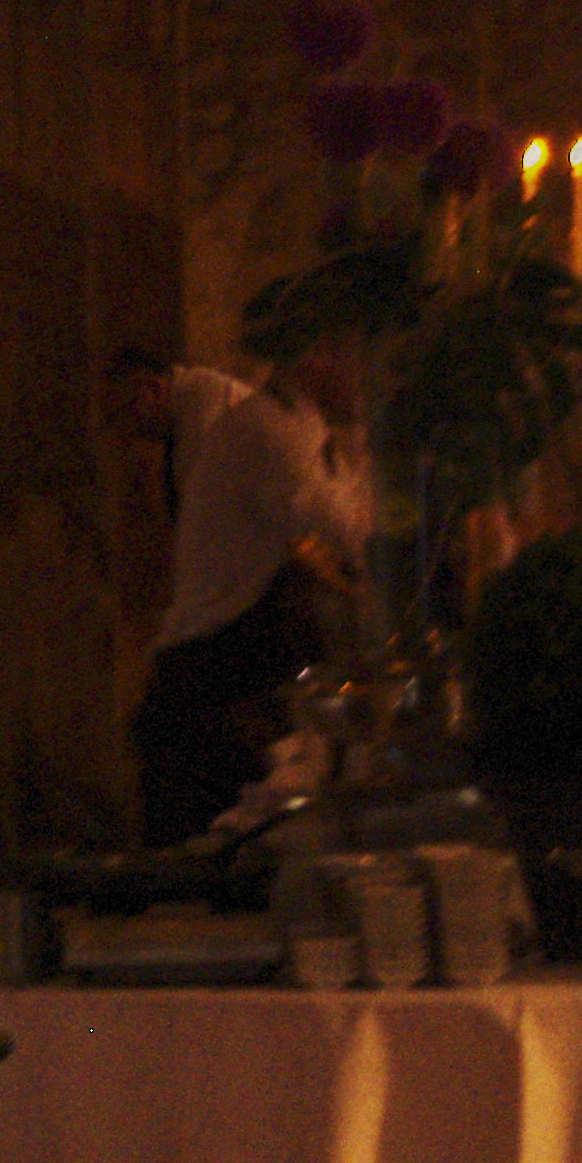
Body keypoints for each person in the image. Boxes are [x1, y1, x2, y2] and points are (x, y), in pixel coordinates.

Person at [127, 340, 375, 852]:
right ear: (315, 355)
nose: (367, 376)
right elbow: (353, 537)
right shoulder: (269, 431)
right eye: (355, 354)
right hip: (207, 704)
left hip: (229, 694)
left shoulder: (298, 430)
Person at [99, 346, 251, 532]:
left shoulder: (200, 411)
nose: (128, 431)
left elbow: (205, 516)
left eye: (125, 413)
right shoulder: (195, 398)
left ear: (152, 389)